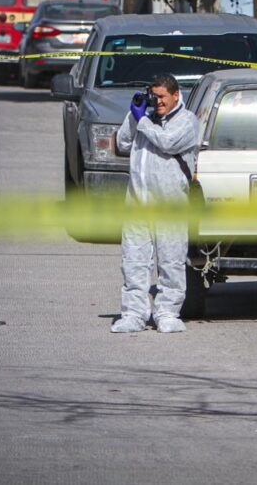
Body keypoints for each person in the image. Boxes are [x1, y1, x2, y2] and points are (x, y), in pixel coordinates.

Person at [110, 74, 200, 333]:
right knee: (134, 262)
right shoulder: (144, 117)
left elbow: (168, 143)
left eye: (162, 97)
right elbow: (123, 142)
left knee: (171, 262)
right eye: (154, 96)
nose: (157, 101)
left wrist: (143, 121)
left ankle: (168, 312)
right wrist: (133, 114)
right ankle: (133, 314)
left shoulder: (188, 122)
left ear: (176, 95)